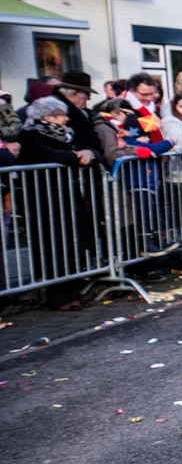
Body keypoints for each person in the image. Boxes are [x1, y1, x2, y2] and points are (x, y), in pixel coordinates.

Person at [17, 95, 99, 309]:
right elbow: (45, 155)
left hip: (69, 196)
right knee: (54, 247)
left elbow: (90, 151)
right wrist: (76, 156)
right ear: (48, 117)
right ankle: (59, 297)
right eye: (61, 115)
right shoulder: (30, 134)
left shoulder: (66, 135)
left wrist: (88, 153)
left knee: (72, 245)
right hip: (45, 197)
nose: (66, 119)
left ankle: (74, 292)